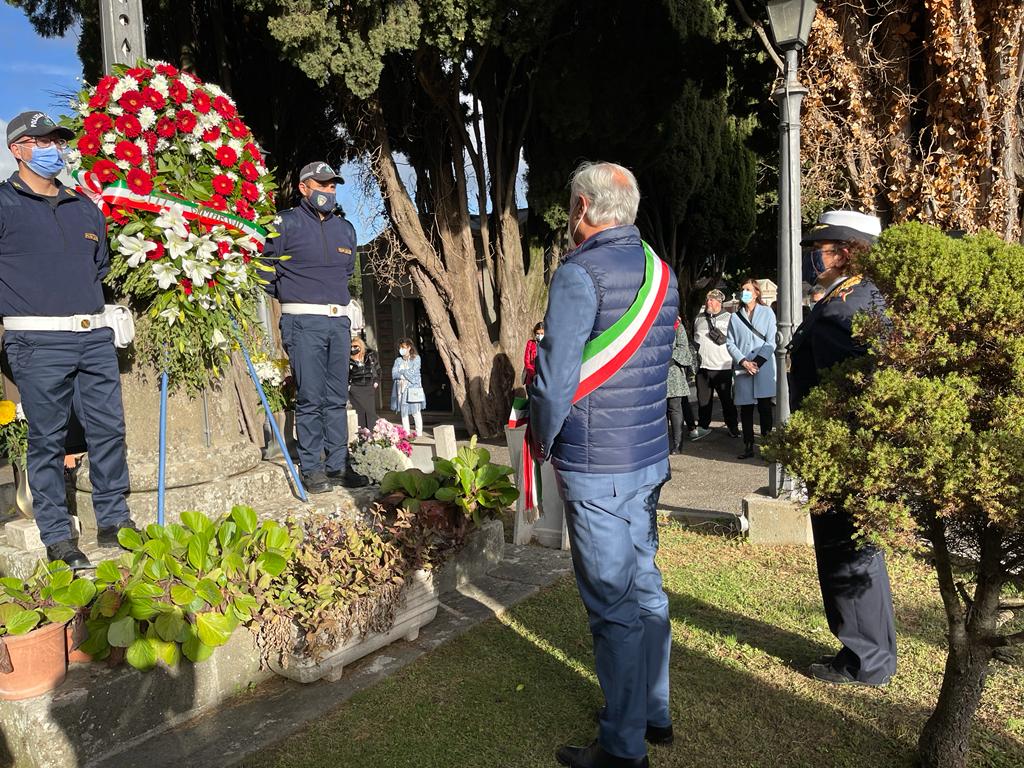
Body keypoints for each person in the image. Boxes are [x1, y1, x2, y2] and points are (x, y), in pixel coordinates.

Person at [530, 161, 678, 768]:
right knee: (645, 586)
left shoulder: (578, 273)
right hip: (646, 455)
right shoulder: (662, 272)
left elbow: (556, 379)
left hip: (596, 462)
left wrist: (539, 439)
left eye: (571, 208)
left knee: (612, 604)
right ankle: (653, 711)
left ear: (583, 211)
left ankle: (622, 747)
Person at [0, 110, 136, 568]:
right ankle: (58, 536)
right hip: (37, 343)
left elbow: (97, 268)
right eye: (41, 141)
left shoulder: (85, 207)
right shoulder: (3, 204)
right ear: (17, 148)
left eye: (57, 141)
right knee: (47, 440)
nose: (53, 149)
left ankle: (115, 520)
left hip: (93, 338)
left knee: (108, 430)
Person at [790, 209, 896, 688]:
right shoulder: (860, 296)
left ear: (850, 251)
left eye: (825, 247)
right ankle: (871, 652)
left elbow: (842, 390)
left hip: (841, 451)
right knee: (857, 552)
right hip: (852, 451)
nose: (817, 255)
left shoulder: (843, 307)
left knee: (846, 553)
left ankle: (863, 659)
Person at [263, 161, 368, 493]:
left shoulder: (345, 230)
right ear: (303, 187)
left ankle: (338, 465)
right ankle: (312, 467)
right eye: (321, 185)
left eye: (333, 186)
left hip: (338, 321)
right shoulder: (284, 223)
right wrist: (295, 296)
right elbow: (265, 273)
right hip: (302, 321)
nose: (328, 191)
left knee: (337, 398)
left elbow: (345, 273)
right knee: (310, 397)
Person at [726, 279, 776, 459]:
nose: (744, 293)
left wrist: (757, 363)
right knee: (746, 409)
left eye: (748, 289)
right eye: (742, 290)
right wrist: (743, 361)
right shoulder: (735, 316)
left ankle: (768, 445)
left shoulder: (767, 312)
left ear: (756, 293)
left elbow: (771, 341)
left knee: (764, 408)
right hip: (744, 368)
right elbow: (730, 342)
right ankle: (748, 445)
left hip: (763, 367)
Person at [692, 289, 739, 437]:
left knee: (727, 400)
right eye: (707, 299)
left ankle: (732, 426)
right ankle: (703, 426)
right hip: (703, 367)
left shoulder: (730, 318)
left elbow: (736, 340)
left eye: (712, 300)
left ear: (719, 302)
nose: (708, 302)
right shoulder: (698, 318)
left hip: (722, 367)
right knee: (703, 400)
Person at [666, 317, 703, 452]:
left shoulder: (677, 325)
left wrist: (667, 354)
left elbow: (684, 349)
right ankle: (662, 443)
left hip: (673, 371)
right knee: (660, 411)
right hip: (655, 371)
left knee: (674, 408)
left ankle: (677, 444)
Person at [390, 338, 424, 436]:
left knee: (416, 412)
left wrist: (402, 372)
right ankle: (406, 434)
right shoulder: (398, 360)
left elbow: (414, 373)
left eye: (403, 347)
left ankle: (419, 433)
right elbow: (394, 374)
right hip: (401, 389)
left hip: (414, 388)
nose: (401, 350)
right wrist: (402, 374)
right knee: (404, 413)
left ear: (409, 347)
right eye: (400, 348)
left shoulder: (416, 358)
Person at [348, 335, 380, 429]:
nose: (353, 349)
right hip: (355, 389)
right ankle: (361, 434)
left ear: (361, 346)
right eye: (352, 347)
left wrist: (376, 381)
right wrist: (349, 386)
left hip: (368, 387)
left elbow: (378, 370)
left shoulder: (369, 357)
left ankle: (372, 433)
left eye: (355, 346)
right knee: (359, 412)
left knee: (370, 413)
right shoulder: (348, 359)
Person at [522, 321, 544, 387]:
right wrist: (533, 375)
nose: (540, 336)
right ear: (535, 333)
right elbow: (527, 361)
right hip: (531, 379)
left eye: (542, 333)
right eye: (538, 333)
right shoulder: (530, 343)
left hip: (543, 381)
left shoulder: (548, 346)